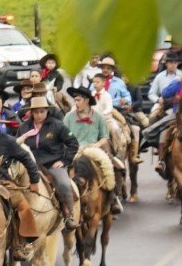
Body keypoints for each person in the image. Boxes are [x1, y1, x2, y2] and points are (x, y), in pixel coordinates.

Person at [16, 96, 81, 224]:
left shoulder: (57, 125)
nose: (39, 115)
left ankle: (69, 214)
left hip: (52, 164)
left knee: (63, 183)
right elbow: (16, 145)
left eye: (42, 111)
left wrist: (64, 161)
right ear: (32, 112)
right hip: (29, 164)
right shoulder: (23, 127)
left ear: (47, 111)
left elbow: (73, 143)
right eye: (36, 112)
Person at [63, 85, 123, 213]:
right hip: (74, 149)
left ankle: (112, 196)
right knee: (60, 167)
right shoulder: (68, 117)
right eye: (75, 100)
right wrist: (72, 146)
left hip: (93, 147)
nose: (76, 103)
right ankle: (62, 200)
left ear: (86, 100)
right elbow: (62, 136)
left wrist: (96, 145)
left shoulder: (98, 116)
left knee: (113, 165)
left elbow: (104, 137)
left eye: (78, 100)